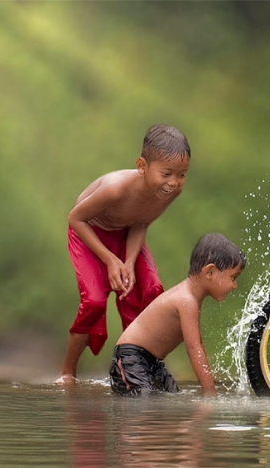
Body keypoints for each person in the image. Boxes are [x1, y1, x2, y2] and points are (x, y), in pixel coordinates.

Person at [58, 124, 191, 384]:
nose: (174, 182)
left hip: (127, 234)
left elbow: (141, 222)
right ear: (142, 166)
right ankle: (67, 373)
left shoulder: (170, 190)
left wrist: (129, 262)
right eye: (166, 173)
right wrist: (109, 259)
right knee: (95, 301)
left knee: (150, 289)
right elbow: (75, 219)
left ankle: (138, 364)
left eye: (182, 174)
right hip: (90, 235)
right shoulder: (115, 189)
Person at [109, 233, 245, 397]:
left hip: (151, 362)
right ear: (210, 272)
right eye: (233, 277)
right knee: (144, 406)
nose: (235, 286)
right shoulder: (187, 300)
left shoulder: (191, 300)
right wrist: (210, 393)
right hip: (131, 359)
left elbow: (198, 345)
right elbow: (194, 349)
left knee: (172, 401)